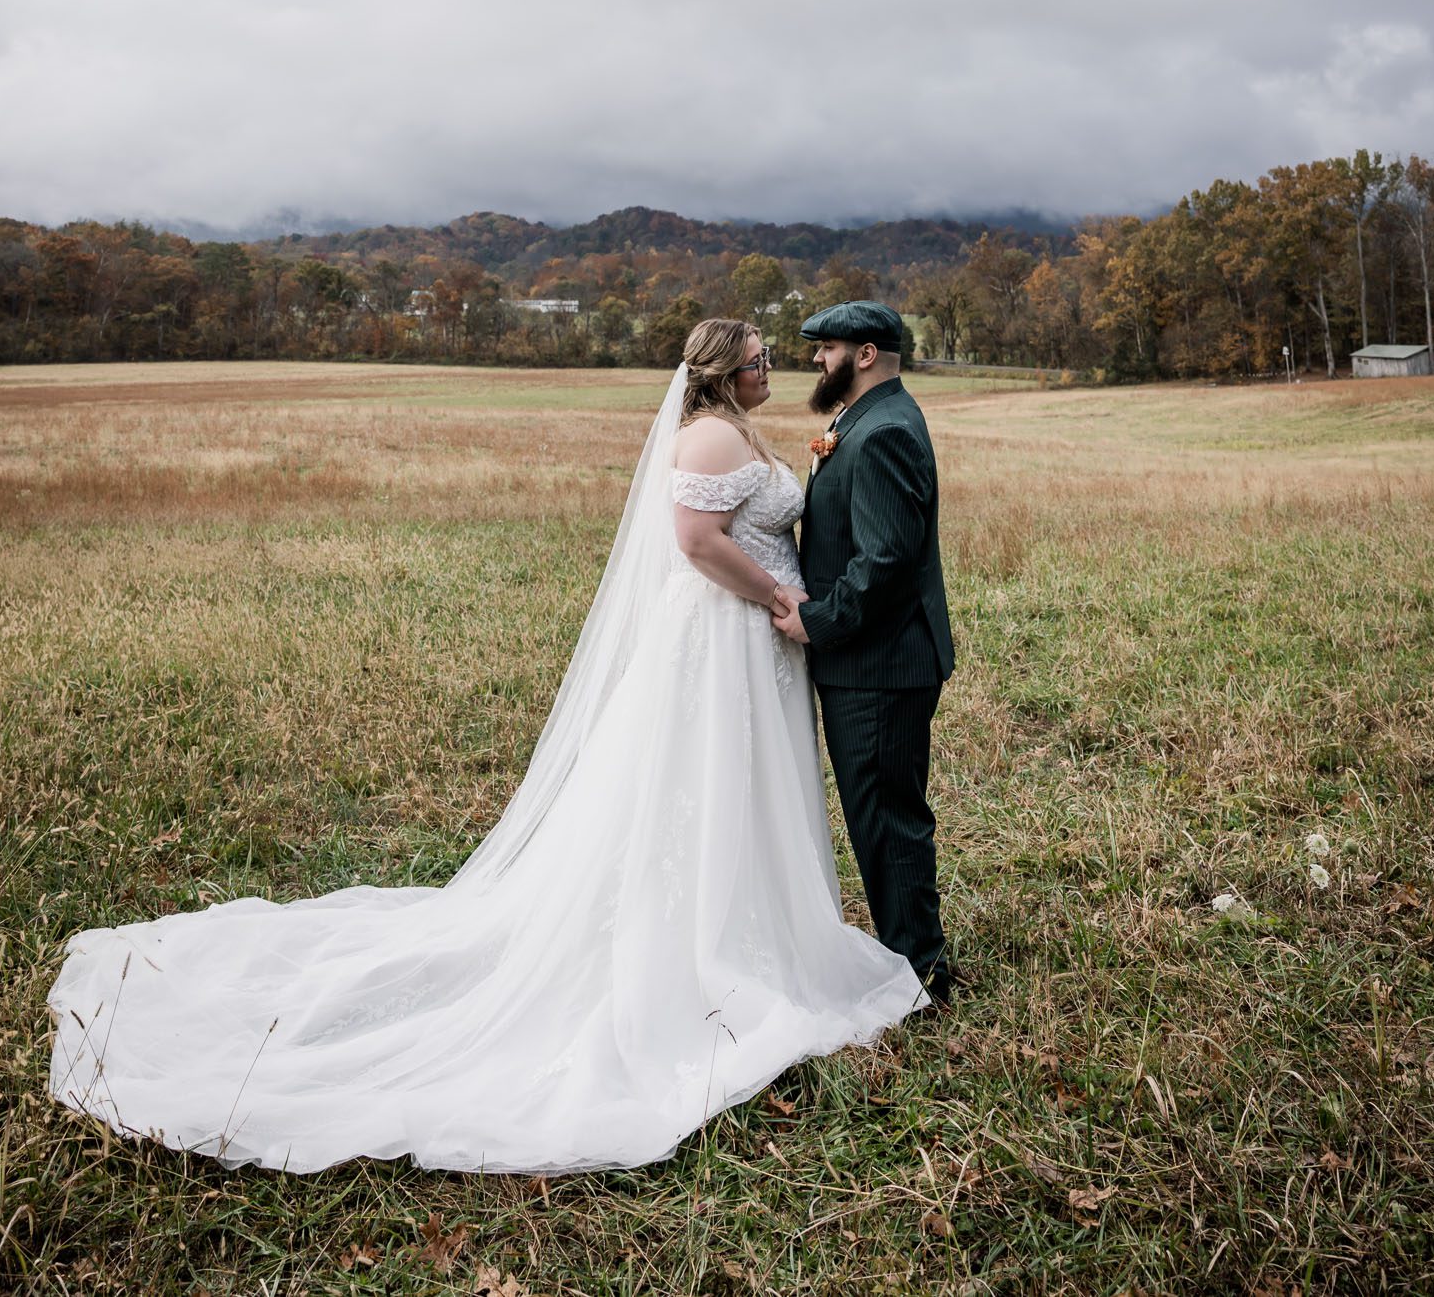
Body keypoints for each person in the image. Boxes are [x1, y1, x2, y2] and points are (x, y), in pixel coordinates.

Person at [47, 317, 927, 1175]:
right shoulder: (705, 439)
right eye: (759, 360)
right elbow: (695, 544)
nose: (774, 368)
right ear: (720, 374)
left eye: (774, 357)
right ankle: (700, 943)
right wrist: (779, 599)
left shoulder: (738, 431)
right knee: (702, 778)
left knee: (747, 788)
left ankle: (751, 915)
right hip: (721, 636)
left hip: (751, 646)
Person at [769, 300, 955, 1003]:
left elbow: (885, 560)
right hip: (871, 662)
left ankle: (920, 973)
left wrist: (819, 621)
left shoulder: (882, 434)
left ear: (866, 353)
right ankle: (908, 956)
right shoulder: (862, 421)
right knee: (877, 814)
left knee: (886, 819)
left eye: (827, 348)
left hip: (880, 665)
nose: (817, 359)